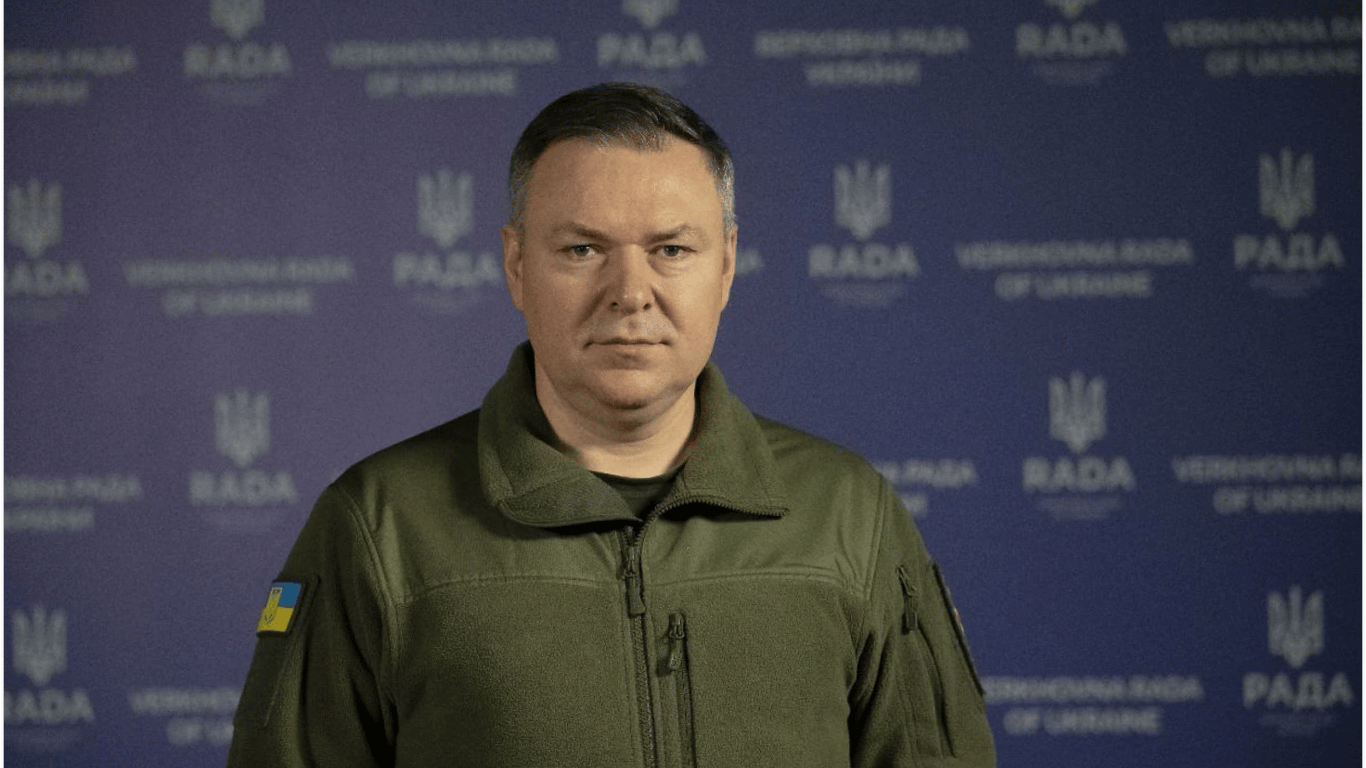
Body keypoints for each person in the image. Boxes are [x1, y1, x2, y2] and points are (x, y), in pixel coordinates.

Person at [227, 82, 996, 767]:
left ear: (726, 266)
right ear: (517, 264)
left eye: (671, 249)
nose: (631, 291)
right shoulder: (379, 526)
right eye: (583, 248)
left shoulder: (851, 516)